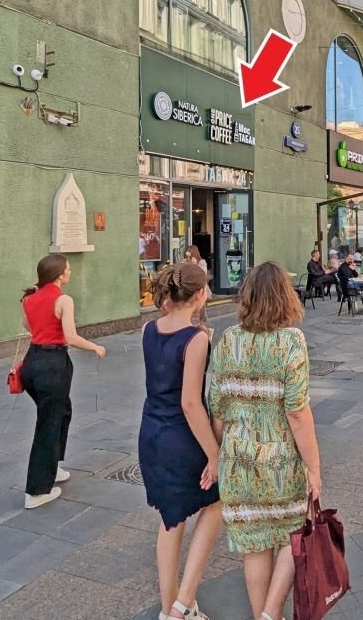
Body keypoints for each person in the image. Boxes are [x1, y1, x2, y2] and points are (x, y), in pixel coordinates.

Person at [208, 263, 322, 620]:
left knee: (254, 546)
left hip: (238, 462)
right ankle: (271, 613)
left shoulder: (228, 340)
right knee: (296, 531)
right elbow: (297, 412)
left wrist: (223, 452)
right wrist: (314, 468)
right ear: (285, 299)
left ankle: (264, 614)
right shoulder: (291, 341)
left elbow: (217, 408)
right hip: (281, 463)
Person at [140, 263, 223, 620]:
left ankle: (169, 607)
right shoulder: (196, 338)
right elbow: (191, 403)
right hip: (181, 437)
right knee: (216, 501)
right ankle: (183, 602)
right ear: (200, 295)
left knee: (171, 519)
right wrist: (214, 454)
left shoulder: (149, 329)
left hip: (151, 433)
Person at [19, 254, 107, 509]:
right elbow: (71, 336)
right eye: (67, 269)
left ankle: (52, 466)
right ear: (59, 274)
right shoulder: (63, 300)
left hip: (32, 362)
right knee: (48, 423)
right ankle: (36, 491)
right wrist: (95, 347)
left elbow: (28, 325)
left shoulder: (29, 298)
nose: (70, 272)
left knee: (62, 412)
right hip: (53, 364)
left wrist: (44, 332)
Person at [184, 245, 210, 331]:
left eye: (190, 256)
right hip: (189, 290)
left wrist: (195, 265)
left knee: (200, 310)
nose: (189, 258)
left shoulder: (201, 262)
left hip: (199, 290)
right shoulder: (186, 263)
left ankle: (201, 327)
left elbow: (202, 275)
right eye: (188, 256)